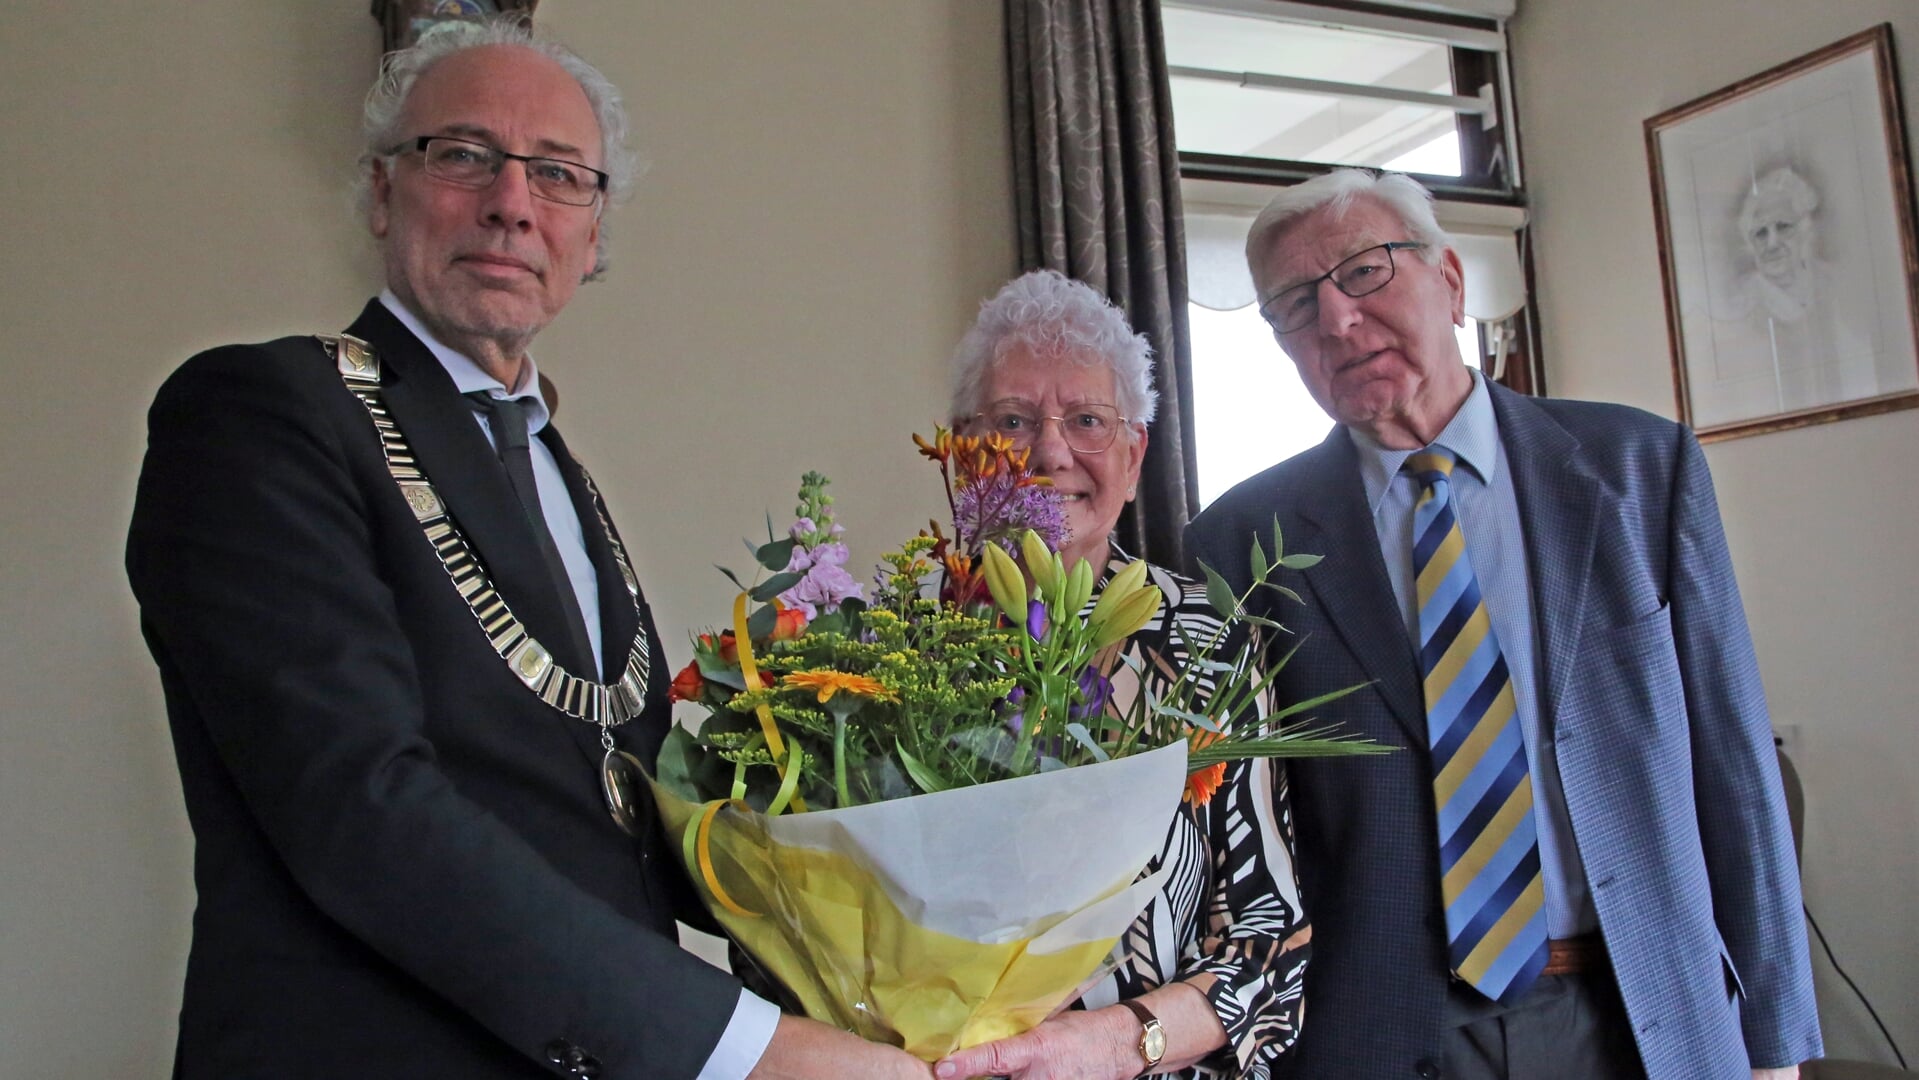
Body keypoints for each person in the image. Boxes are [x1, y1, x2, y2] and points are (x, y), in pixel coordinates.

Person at [125, 20, 928, 1079]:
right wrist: (748, 1049)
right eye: (461, 155)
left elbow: (610, 808)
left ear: (592, 237)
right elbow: (362, 811)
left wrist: (895, 903)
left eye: (556, 175)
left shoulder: (559, 465)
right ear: (380, 193)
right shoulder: (267, 413)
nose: (511, 204)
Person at [1184, 168, 1822, 1079]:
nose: (1334, 320)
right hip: (1385, 1028)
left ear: (1450, 279)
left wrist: (1773, 1041)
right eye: (1293, 303)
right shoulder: (1241, 537)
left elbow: (1733, 764)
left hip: (1646, 1012)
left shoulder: (1639, 466)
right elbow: (1241, 831)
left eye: (1364, 272)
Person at [933, 270, 1309, 1080]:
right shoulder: (888, 649)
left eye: (1088, 420)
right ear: (965, 453)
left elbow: (1268, 948)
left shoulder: (1209, 648)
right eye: (1011, 420)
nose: (1049, 451)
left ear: (1133, 456)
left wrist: (1114, 1044)